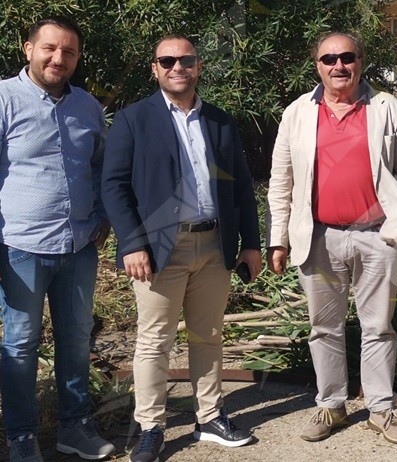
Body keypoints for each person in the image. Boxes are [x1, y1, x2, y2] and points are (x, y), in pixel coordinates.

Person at [101, 34, 262, 461]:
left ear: (198, 66)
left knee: (208, 335)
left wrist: (251, 243)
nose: (178, 67)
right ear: (155, 69)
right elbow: (113, 187)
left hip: (214, 244)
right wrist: (132, 243)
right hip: (157, 249)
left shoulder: (220, 121)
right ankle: (151, 426)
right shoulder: (133, 119)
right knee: (155, 340)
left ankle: (209, 417)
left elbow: (241, 188)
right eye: (167, 60)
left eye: (186, 60)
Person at [266, 31, 397, 445]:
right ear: (317, 66)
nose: (339, 65)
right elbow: (281, 182)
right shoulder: (298, 112)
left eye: (347, 57)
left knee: (379, 327)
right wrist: (278, 238)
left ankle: (381, 408)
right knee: (324, 327)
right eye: (329, 58)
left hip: (378, 238)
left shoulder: (387, 108)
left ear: (360, 62)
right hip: (319, 237)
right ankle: (332, 405)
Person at [0, 16, 117, 462]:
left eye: (68, 51)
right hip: (19, 248)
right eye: (49, 48)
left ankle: (75, 428)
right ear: (28, 48)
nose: (58, 58)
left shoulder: (87, 106)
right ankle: (22, 436)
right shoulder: (4, 99)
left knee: (76, 338)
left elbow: (101, 166)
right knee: (20, 344)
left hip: (78, 247)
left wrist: (102, 216)